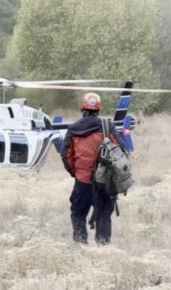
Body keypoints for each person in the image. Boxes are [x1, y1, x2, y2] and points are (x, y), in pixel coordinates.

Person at [60, 92, 125, 245]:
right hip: (104, 183)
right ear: (98, 109)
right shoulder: (107, 126)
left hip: (83, 181)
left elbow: (66, 155)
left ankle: (82, 246)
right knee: (103, 215)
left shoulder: (73, 128)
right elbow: (121, 148)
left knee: (78, 214)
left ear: (83, 109)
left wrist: (75, 173)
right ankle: (103, 249)